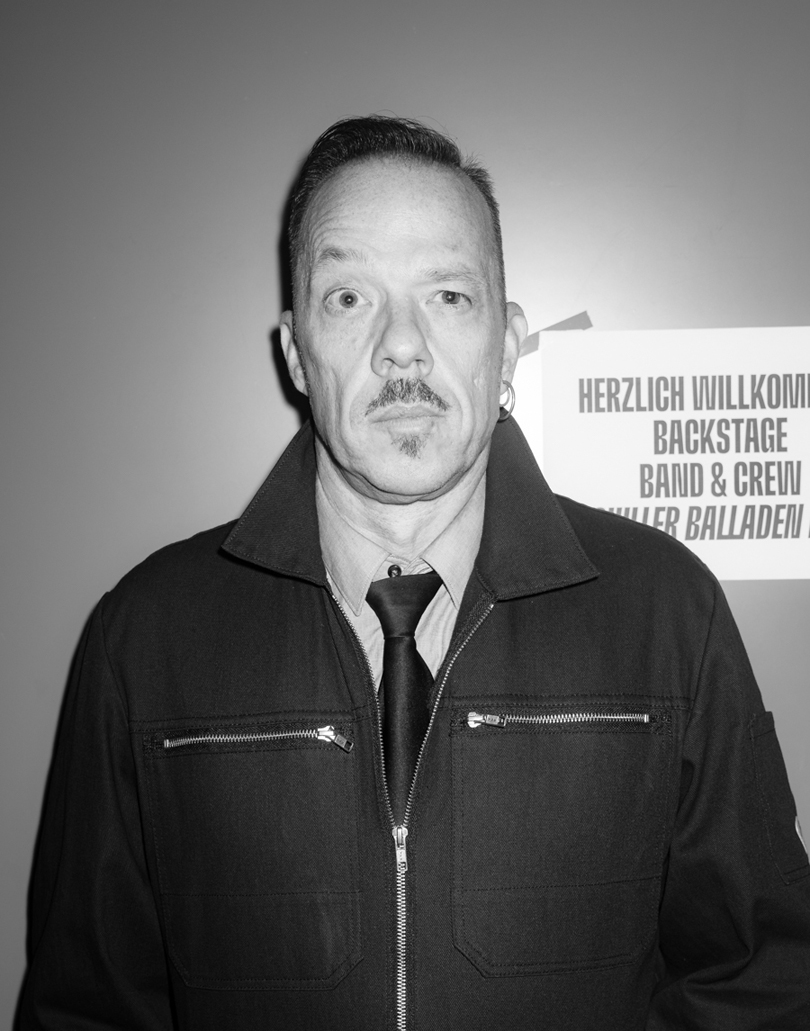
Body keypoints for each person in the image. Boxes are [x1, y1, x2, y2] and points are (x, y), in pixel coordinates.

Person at [19, 115, 810, 1030]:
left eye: (448, 295)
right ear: (296, 355)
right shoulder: (146, 637)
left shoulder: (666, 612)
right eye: (349, 296)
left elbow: (760, 984)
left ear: (507, 345)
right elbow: (87, 1009)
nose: (402, 344)